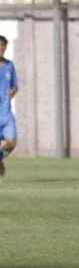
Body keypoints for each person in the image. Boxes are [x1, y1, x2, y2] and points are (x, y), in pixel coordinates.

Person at [0, 35, 18, 178]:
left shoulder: (9, 65)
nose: (1, 48)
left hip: (6, 113)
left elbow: (15, 85)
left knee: (11, 143)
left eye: (3, 46)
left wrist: (13, 91)